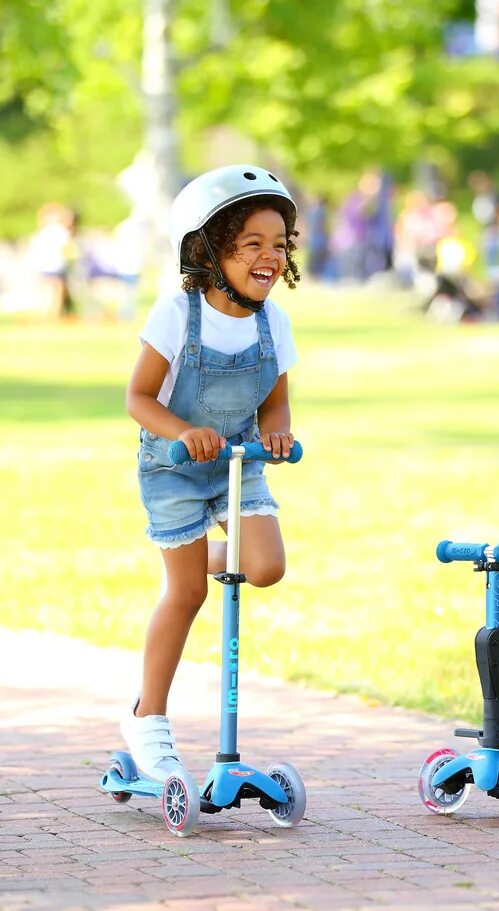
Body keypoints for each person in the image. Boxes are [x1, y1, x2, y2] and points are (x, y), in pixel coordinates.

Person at [122, 164, 300, 782]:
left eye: (278, 245)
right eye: (251, 244)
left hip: (239, 463)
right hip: (173, 468)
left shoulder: (273, 322)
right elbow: (139, 398)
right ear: (210, 249)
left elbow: (274, 398)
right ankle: (147, 718)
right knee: (189, 593)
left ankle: (193, 547)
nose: (268, 257)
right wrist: (183, 431)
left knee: (265, 567)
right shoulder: (177, 313)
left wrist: (277, 429)